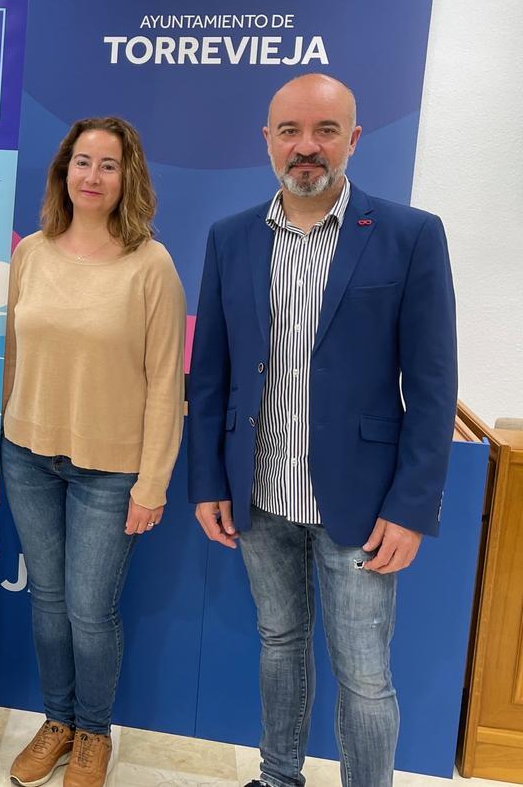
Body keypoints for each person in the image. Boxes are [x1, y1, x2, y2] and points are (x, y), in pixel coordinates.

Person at [187, 73, 457, 787]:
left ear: (354, 139)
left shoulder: (409, 236)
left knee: (365, 676)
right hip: (260, 496)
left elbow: (432, 387)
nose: (307, 147)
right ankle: (280, 777)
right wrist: (208, 481)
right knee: (280, 643)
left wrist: (411, 506)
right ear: (268, 141)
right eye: (290, 132)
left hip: (364, 507)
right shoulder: (230, 238)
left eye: (326, 131)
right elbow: (210, 375)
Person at [1, 117, 186, 787]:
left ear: (127, 177)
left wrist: (153, 482)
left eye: (108, 164)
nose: (93, 176)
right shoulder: (33, 253)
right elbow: (12, 356)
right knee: (47, 602)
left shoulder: (151, 266)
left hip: (112, 472)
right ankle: (56, 721)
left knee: (87, 609)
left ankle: (92, 734)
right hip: (28, 455)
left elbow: (167, 381)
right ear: (64, 171)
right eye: (83, 161)